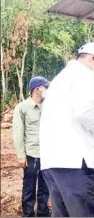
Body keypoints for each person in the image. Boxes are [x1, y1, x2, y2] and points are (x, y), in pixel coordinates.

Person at [39, 43, 94, 217]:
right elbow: (84, 112)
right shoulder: (84, 75)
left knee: (63, 214)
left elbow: (67, 122)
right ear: (93, 58)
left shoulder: (61, 79)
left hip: (53, 162)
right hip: (74, 165)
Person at [13, 76, 50, 217]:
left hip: (46, 154)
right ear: (37, 89)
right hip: (31, 155)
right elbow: (18, 133)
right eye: (45, 87)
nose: (47, 90)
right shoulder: (22, 108)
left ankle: (43, 214)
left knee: (45, 188)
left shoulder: (49, 106)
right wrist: (21, 156)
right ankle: (27, 214)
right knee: (29, 188)